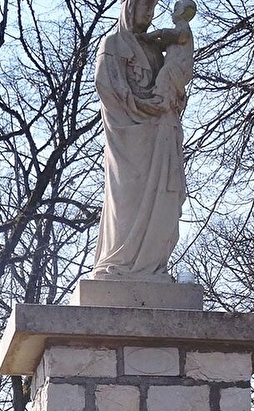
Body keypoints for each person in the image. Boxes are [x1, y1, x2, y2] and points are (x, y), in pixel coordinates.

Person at [89, 0, 196, 282]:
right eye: (144, 6)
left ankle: (151, 266)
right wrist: (144, 106)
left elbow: (172, 83)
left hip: (160, 136)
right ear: (129, 8)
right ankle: (121, 264)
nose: (149, 13)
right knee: (126, 201)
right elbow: (109, 89)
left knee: (164, 203)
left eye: (152, 6)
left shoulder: (152, 46)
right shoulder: (112, 45)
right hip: (129, 140)